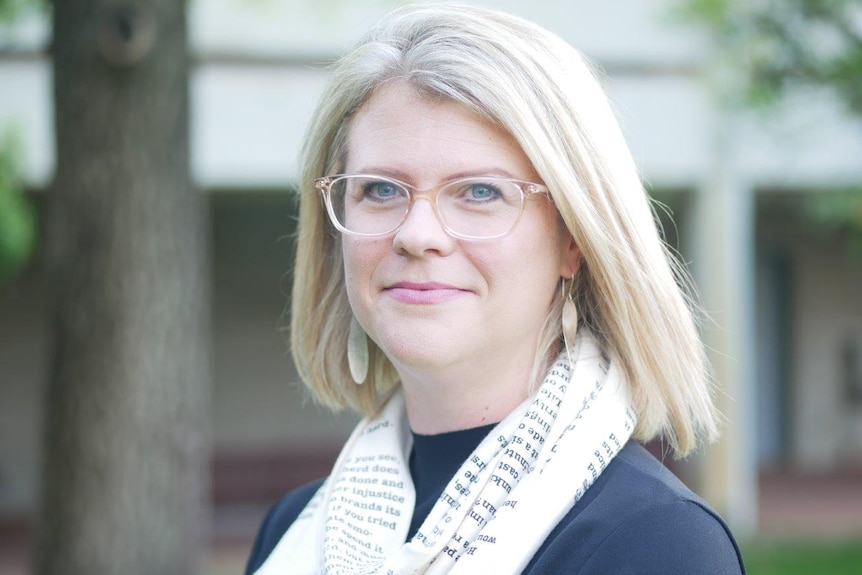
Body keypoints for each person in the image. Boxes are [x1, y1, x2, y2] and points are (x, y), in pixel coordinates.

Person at [246, 4, 746, 574]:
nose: (417, 235)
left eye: (480, 192)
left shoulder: (654, 543)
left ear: (573, 240)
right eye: (382, 189)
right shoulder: (293, 530)